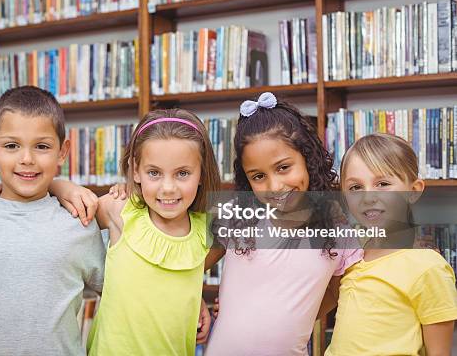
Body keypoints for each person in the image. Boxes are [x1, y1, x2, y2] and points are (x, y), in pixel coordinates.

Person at [0, 86, 106, 355]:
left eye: (42, 146)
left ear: (63, 151)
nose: (27, 159)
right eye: (11, 146)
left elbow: (124, 289)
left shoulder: (80, 220)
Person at [205, 92, 363, 355]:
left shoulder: (337, 232)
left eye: (283, 168)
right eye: (258, 176)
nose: (274, 186)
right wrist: (199, 302)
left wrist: (292, 319)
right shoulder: (236, 217)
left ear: (307, 158)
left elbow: (337, 295)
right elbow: (187, 269)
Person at [86, 108, 220, 355]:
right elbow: (63, 217)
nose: (168, 188)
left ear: (202, 173)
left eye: (182, 173)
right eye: (154, 173)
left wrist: (195, 297)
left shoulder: (209, 229)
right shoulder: (120, 210)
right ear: (136, 170)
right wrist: (60, 186)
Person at [326, 133, 457, 356]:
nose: (368, 197)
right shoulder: (352, 255)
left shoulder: (428, 267)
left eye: (382, 184)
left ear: (413, 191)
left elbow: (439, 352)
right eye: (356, 188)